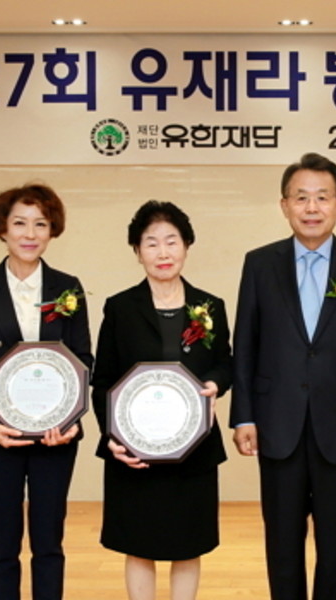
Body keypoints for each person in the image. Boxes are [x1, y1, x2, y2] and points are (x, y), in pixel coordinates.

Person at [230, 152, 336, 600]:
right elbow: (245, 344)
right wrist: (243, 415)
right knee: (282, 543)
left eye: (323, 197)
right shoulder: (259, 264)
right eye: (301, 197)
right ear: (284, 205)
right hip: (276, 424)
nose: (312, 207)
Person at [0, 184, 93, 600]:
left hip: (56, 435)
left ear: (53, 231)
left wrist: (71, 421)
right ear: (2, 228)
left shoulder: (68, 287)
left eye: (41, 224)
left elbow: (83, 359)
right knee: (3, 541)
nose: (30, 234)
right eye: (20, 223)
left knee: (49, 541)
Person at [91, 201, 232, 600]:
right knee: (138, 542)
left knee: (189, 542)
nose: (163, 252)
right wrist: (113, 437)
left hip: (194, 448)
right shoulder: (120, 308)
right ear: (137, 251)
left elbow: (226, 362)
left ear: (186, 246)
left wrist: (215, 384)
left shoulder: (210, 306)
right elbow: (103, 380)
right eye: (151, 243)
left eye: (172, 241)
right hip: (134, 448)